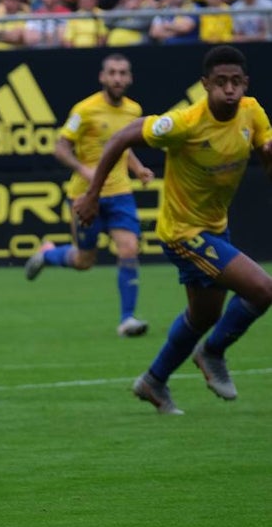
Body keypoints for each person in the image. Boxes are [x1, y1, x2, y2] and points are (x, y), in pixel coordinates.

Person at [74, 45, 272, 415]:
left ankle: (154, 380)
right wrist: (92, 193)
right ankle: (212, 353)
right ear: (205, 84)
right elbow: (121, 138)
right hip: (182, 233)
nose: (229, 90)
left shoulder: (252, 112)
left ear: (245, 83)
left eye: (235, 82)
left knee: (204, 316)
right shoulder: (184, 123)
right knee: (262, 289)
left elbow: (266, 155)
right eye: (220, 82)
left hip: (215, 229)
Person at [25, 54, 154, 338]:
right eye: (112, 73)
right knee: (85, 261)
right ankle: (47, 255)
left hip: (120, 193)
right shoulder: (84, 110)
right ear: (103, 77)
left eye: (123, 73)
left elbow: (124, 147)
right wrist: (85, 170)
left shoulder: (134, 111)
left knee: (129, 248)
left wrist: (138, 169)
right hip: (85, 197)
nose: (118, 78)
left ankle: (127, 319)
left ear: (129, 78)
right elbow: (60, 148)